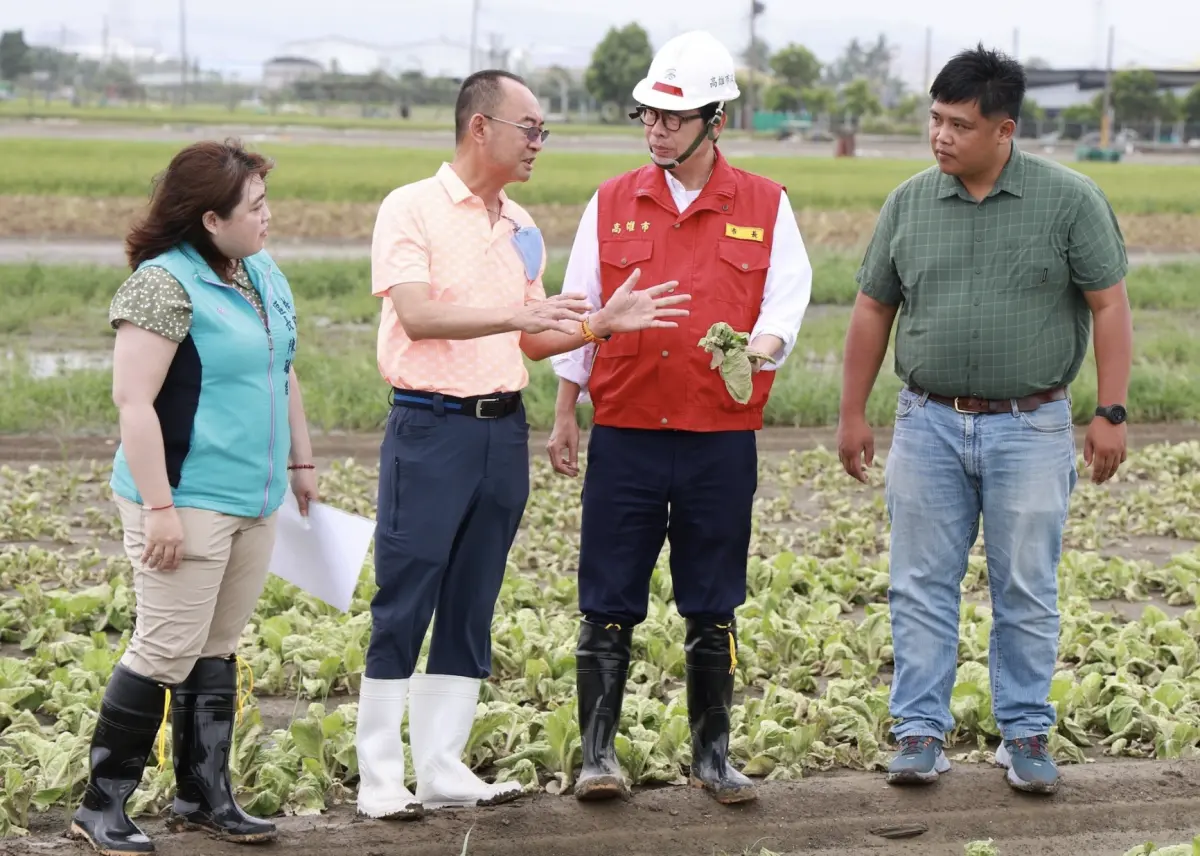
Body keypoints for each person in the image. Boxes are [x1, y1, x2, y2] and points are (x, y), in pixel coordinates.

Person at [354, 69, 689, 821]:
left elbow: (534, 339)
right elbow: (419, 317)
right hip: (429, 426)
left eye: (542, 131)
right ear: (481, 128)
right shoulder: (410, 208)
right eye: (530, 127)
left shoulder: (521, 224)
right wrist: (518, 310)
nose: (539, 141)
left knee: (473, 598)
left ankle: (441, 765)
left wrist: (602, 323)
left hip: (501, 428)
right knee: (405, 595)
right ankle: (380, 773)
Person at [836, 45, 1132, 795]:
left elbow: (1110, 305)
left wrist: (1112, 412)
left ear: (1004, 130)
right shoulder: (909, 201)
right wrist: (852, 412)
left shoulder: (1068, 200)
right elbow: (874, 307)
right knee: (919, 583)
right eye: (934, 120)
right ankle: (919, 733)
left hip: (1031, 425)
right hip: (927, 422)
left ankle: (1025, 732)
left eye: (959, 125)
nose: (940, 136)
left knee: (1026, 586)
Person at [547, 30, 813, 806]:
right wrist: (567, 413)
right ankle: (597, 757)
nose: (657, 129)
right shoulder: (612, 200)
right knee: (607, 594)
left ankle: (713, 757)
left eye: (674, 116)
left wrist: (762, 345)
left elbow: (785, 303)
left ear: (716, 120)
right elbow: (577, 310)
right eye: (648, 116)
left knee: (713, 596)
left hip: (719, 439)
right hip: (626, 431)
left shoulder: (765, 203)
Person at [67, 139, 318, 855]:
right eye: (256, 207)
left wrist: (302, 458)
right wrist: (160, 509)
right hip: (186, 496)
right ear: (211, 219)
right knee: (164, 646)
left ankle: (202, 795)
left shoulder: (259, 272)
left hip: (254, 494)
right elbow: (133, 404)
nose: (269, 217)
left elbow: (284, 367)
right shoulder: (162, 284)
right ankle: (101, 803)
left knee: (218, 645)